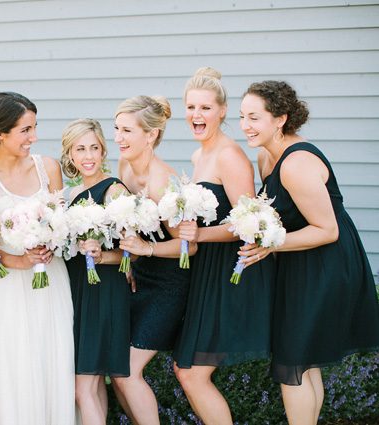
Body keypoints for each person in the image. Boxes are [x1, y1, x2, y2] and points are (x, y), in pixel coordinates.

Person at [240, 80, 379, 425]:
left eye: (255, 117)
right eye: (243, 116)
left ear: (281, 119)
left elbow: (327, 230)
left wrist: (268, 244)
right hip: (300, 262)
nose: (245, 125)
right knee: (303, 360)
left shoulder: (296, 163)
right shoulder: (265, 156)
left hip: (325, 265)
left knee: (294, 361)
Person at [0, 92, 75, 425]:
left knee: (55, 363)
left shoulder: (48, 168)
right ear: (0, 132)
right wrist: (17, 262)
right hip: (9, 289)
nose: (34, 137)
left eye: (34, 128)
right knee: (15, 370)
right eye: (25, 130)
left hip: (52, 281)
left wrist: (53, 242)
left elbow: (61, 221)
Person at [171, 67, 275, 425]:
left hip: (227, 272)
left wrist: (197, 234)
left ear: (222, 111)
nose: (196, 116)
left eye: (204, 108)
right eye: (190, 108)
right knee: (186, 370)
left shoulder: (230, 155)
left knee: (191, 372)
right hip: (205, 271)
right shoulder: (200, 156)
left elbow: (245, 224)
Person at [111, 95, 191, 425]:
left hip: (169, 285)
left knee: (128, 370)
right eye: (117, 129)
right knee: (117, 370)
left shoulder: (165, 182)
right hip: (138, 278)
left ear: (151, 135)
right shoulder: (124, 166)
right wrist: (129, 261)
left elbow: (189, 247)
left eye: (127, 131)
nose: (118, 138)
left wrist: (146, 250)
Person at [60, 118, 129, 425]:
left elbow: (133, 252)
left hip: (103, 292)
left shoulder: (114, 190)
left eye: (94, 148)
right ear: (70, 154)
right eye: (80, 149)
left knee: (82, 387)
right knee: (94, 382)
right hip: (78, 291)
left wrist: (102, 256)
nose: (88, 156)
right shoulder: (70, 193)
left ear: (103, 151)